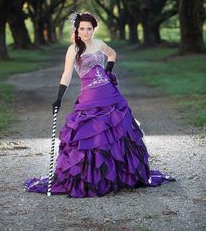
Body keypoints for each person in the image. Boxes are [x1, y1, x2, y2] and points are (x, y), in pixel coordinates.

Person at [24, 11, 176, 197]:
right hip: (89, 95)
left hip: (109, 92)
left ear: (93, 29)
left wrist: (108, 71)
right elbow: (66, 74)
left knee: (119, 130)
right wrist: (59, 97)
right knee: (90, 133)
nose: (86, 32)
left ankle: (121, 175)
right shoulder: (73, 49)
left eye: (89, 28)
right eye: (82, 29)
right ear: (77, 30)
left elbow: (112, 54)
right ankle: (94, 177)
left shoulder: (99, 44)